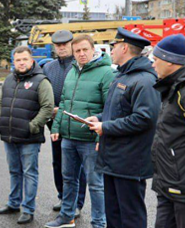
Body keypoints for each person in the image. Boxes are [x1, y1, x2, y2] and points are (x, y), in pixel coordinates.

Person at [86, 28, 161, 228]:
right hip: (114, 158)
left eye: (114, 46)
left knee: (130, 216)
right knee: (114, 213)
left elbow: (144, 118)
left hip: (129, 161)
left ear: (124, 48)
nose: (111, 50)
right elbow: (120, 111)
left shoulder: (144, 80)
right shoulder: (123, 76)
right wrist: (100, 119)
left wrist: (106, 127)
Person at [45, 35, 114, 228]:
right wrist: (57, 127)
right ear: (73, 53)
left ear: (93, 50)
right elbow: (65, 103)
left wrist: (103, 129)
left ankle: (99, 223)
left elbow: (111, 107)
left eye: (85, 49)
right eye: (78, 51)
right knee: (69, 179)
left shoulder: (106, 73)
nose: (81, 54)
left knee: (96, 184)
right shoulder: (73, 72)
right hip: (68, 137)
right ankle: (67, 217)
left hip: (91, 139)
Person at [151, 35, 185, 228]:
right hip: (170, 187)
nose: (153, 65)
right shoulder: (175, 88)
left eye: (155, 60)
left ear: (170, 61)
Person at [0, 46, 54, 225]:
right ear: (14, 61)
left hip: (29, 138)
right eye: (18, 60)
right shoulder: (9, 79)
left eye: (24, 59)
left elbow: (48, 107)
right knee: (14, 171)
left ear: (31, 60)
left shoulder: (41, 81)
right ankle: (13, 203)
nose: (21, 63)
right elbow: (0, 102)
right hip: (9, 135)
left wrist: (33, 126)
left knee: (29, 173)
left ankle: (28, 209)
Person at [41, 30, 86, 214]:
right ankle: (63, 197)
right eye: (58, 45)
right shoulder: (48, 68)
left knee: (76, 166)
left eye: (65, 44)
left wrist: (64, 110)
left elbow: (85, 96)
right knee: (58, 163)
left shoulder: (80, 66)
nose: (61, 47)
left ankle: (77, 202)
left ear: (71, 45)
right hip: (54, 124)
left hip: (74, 124)